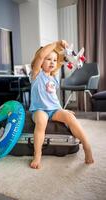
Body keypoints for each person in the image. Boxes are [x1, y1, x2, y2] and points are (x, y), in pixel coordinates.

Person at [29, 40, 94, 169]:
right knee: (41, 120)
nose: (52, 62)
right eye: (48, 59)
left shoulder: (54, 76)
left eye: (54, 60)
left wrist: (62, 111)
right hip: (39, 109)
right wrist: (57, 42)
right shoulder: (36, 74)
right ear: (40, 62)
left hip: (54, 109)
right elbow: (41, 55)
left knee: (70, 118)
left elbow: (53, 98)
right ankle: (37, 154)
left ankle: (87, 146)